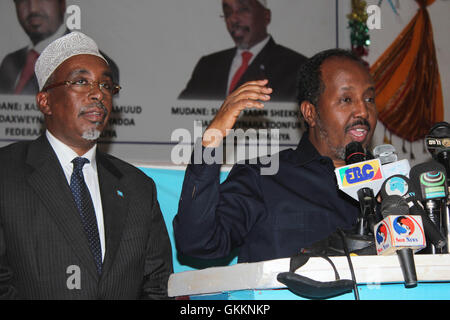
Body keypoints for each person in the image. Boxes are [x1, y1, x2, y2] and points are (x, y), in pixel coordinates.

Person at [0, 31, 172, 299]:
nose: (98, 95)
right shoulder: (6, 173)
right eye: (81, 81)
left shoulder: (137, 187)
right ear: (45, 101)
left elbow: (157, 285)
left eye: (106, 86)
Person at [173, 49, 378, 263]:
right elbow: (197, 243)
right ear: (310, 113)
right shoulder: (263, 177)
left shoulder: (390, 186)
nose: (363, 112)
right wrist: (212, 138)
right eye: (346, 99)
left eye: (369, 99)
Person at [178, 0, 307, 102]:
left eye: (243, 9)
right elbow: (181, 115)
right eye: (228, 13)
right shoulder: (207, 66)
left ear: (266, 16)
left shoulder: (296, 67)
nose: (233, 19)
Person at [0, 0, 119, 95]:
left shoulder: (98, 63)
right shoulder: (10, 63)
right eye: (22, 0)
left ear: (62, 4)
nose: (33, 8)